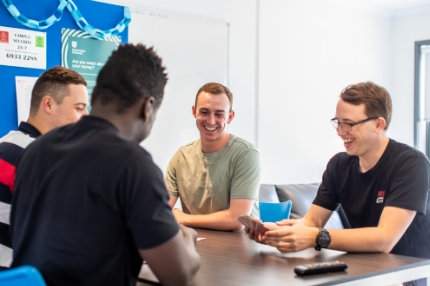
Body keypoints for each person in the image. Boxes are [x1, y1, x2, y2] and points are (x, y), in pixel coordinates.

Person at [10, 44, 200, 286]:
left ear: (97, 94)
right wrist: (187, 240)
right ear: (147, 106)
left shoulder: (36, 150)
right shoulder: (133, 164)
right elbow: (179, 275)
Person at [246, 81, 430, 285]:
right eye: (338, 122)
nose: (341, 132)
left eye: (349, 124)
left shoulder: (411, 164)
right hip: (361, 270)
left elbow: (385, 239)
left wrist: (317, 237)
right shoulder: (339, 165)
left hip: (404, 276)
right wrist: (277, 231)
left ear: (379, 124)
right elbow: (312, 223)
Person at [0, 66, 89, 268]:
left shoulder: (7, 144)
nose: (86, 116)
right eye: (79, 107)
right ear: (48, 104)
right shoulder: (41, 159)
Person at [165, 82, 260, 231]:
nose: (211, 120)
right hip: (197, 243)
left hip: (242, 246)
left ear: (230, 117)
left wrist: (184, 218)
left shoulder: (246, 154)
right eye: (204, 112)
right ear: (194, 112)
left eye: (219, 114)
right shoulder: (181, 157)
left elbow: (237, 220)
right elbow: (160, 209)